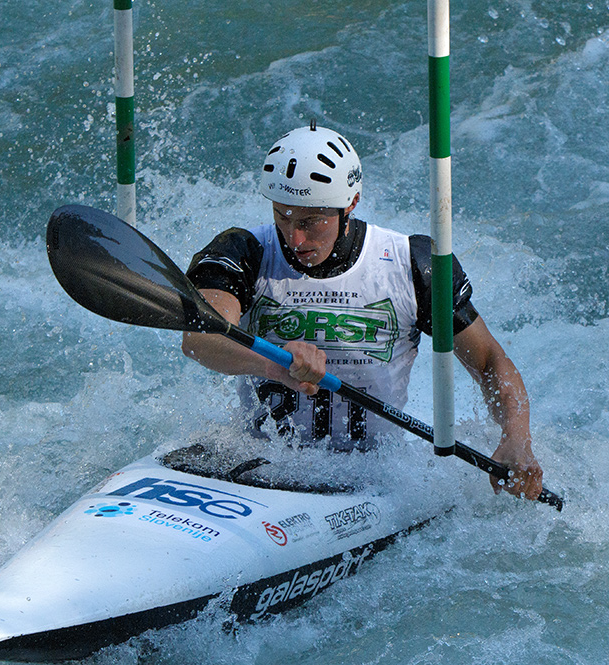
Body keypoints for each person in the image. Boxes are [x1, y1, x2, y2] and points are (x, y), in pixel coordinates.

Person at [181, 121, 544, 501]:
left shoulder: (412, 265)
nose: (295, 238)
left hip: (370, 474)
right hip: (261, 460)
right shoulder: (242, 252)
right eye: (282, 217)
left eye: (311, 221)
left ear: (350, 204)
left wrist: (517, 437)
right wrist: (273, 365)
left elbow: (489, 362)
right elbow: (201, 339)